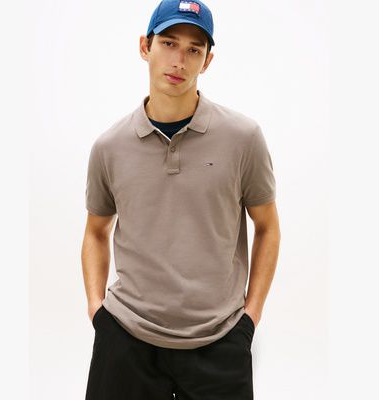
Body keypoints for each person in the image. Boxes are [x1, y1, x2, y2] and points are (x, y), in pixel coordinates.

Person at [81, 0, 281, 398]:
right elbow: (95, 232)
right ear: (145, 46)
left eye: (194, 49)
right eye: (169, 43)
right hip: (126, 337)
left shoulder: (243, 138)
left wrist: (250, 318)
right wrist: (97, 311)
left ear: (207, 61)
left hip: (220, 338)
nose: (179, 61)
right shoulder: (109, 146)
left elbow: (268, 227)